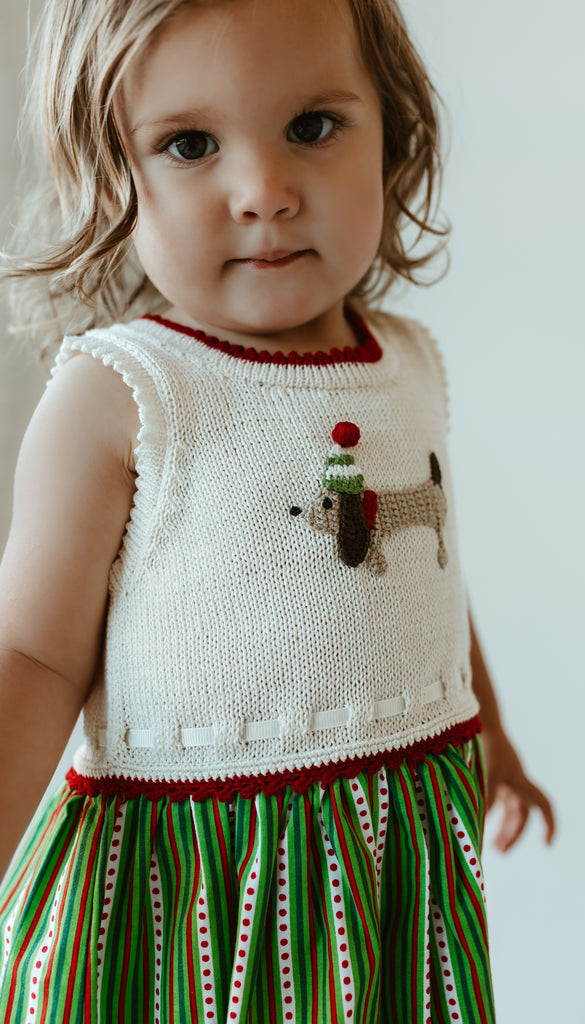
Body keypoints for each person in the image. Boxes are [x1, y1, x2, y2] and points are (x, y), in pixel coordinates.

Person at [0, 0, 555, 1019]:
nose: (263, 192)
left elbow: (424, 575)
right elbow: (31, 655)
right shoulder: (122, 394)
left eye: (311, 126)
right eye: (189, 144)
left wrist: (495, 733)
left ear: (393, 132)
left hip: (390, 865)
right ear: (111, 176)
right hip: (196, 889)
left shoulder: (407, 362)